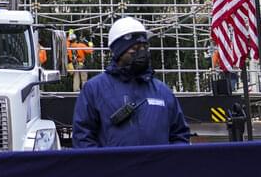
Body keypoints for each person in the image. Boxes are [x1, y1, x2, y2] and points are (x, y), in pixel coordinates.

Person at [73, 17, 190, 148]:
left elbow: (179, 135)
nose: (142, 53)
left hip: (158, 167)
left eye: (145, 47)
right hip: (114, 168)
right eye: (134, 49)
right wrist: (103, 166)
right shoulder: (95, 89)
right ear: (119, 52)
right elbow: (83, 137)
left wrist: (168, 164)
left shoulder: (162, 91)